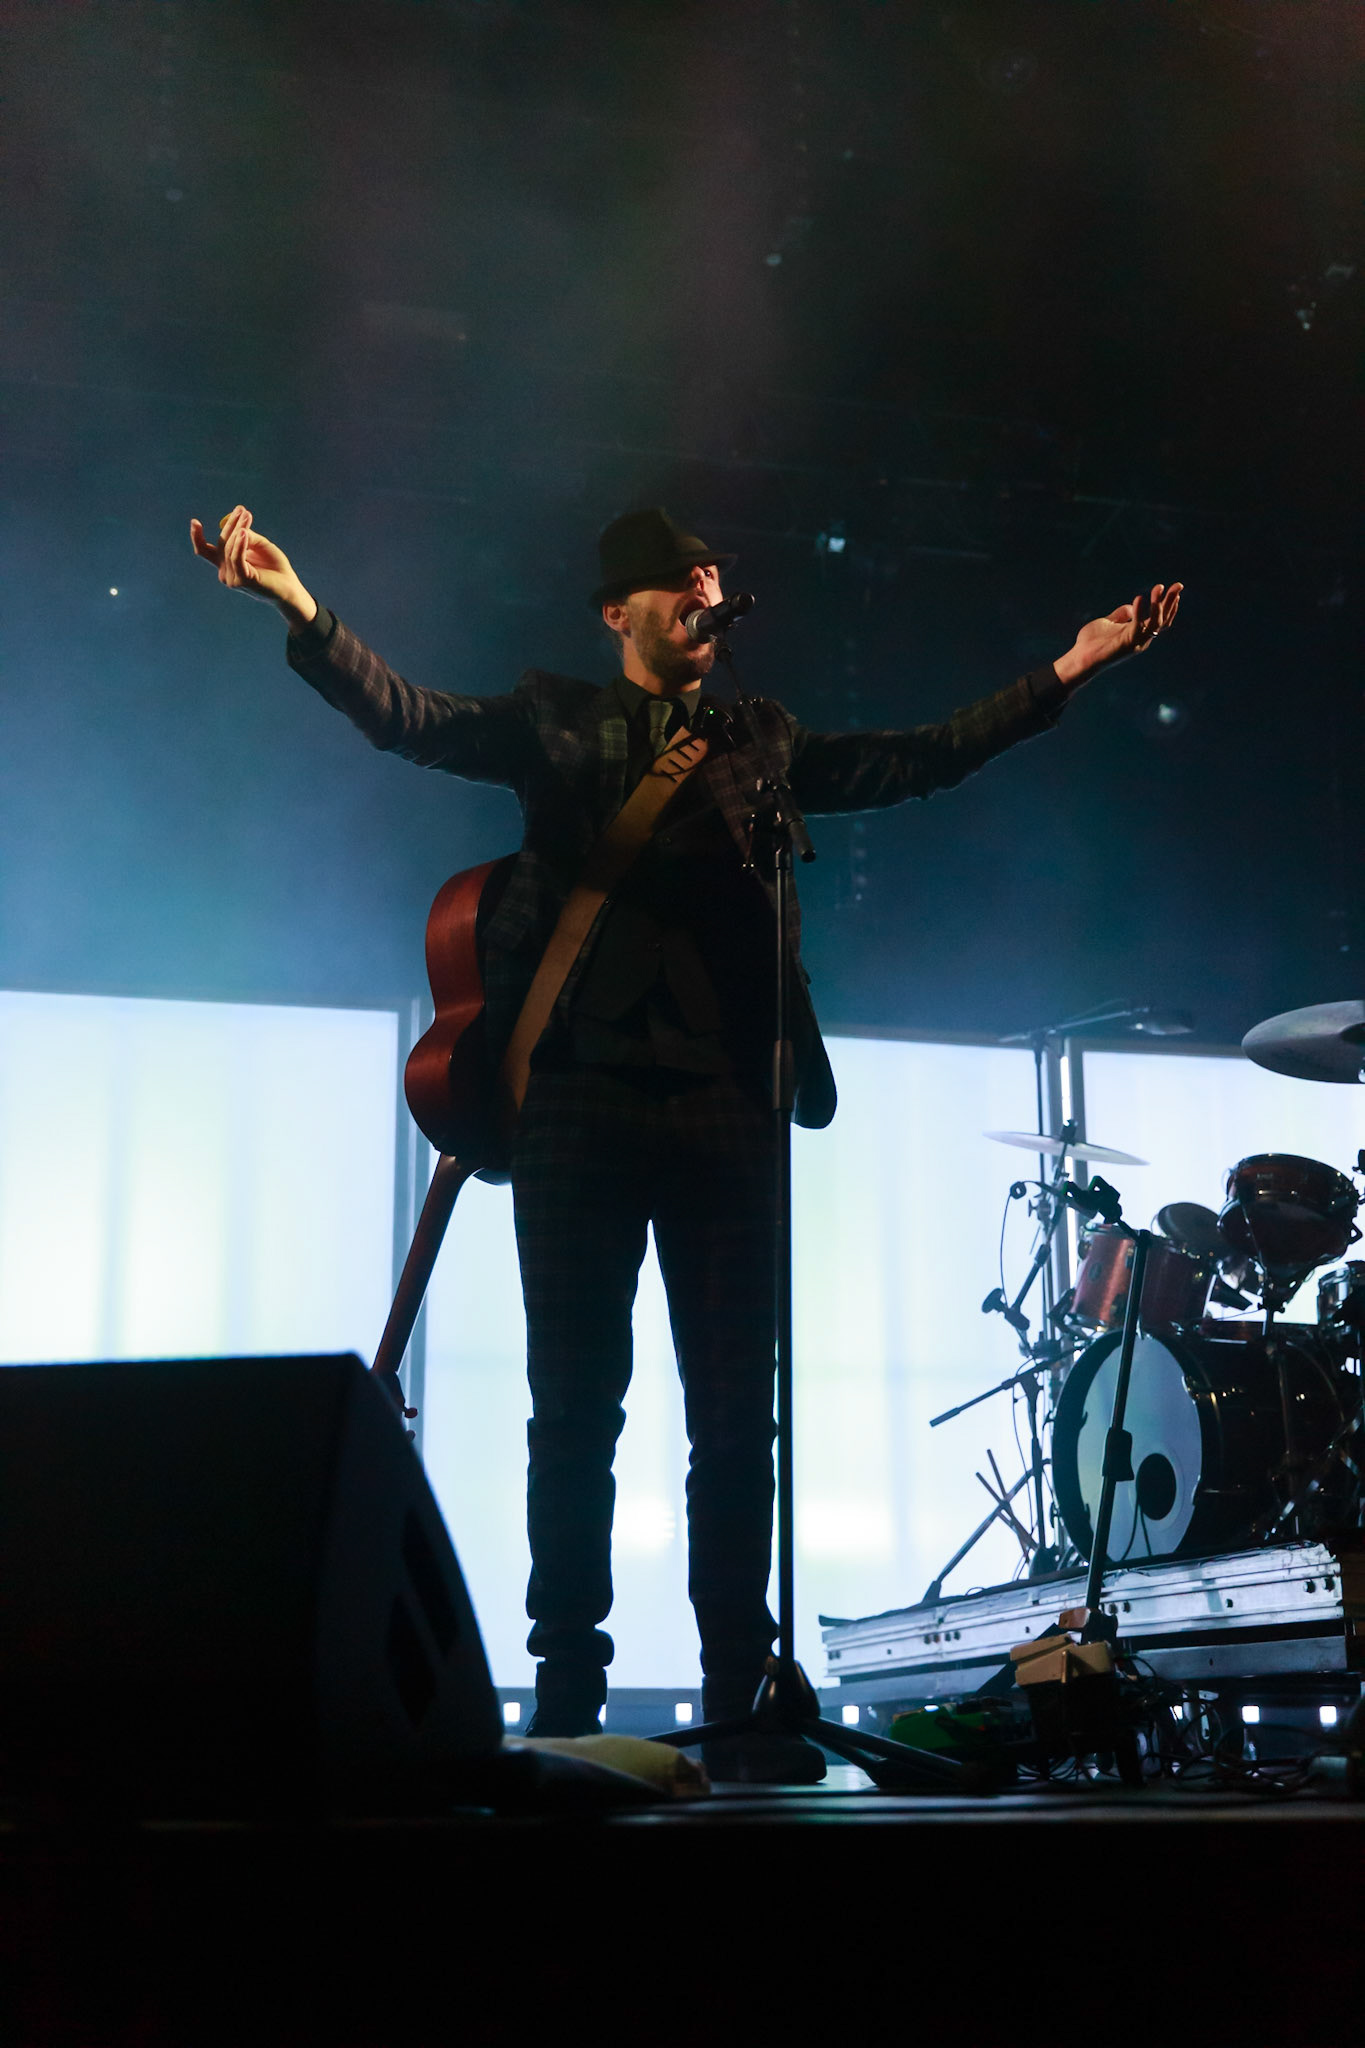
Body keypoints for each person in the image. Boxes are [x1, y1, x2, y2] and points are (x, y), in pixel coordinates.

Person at [191, 501, 1182, 1780]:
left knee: (735, 1413)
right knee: (575, 1407)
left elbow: (918, 757)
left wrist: (1071, 666)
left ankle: (738, 1684)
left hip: (728, 1099)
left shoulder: (758, 739)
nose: (706, 594)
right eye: (679, 583)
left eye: (714, 576)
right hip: (579, 1102)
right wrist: (303, 608)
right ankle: (566, 1687)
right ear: (622, 611)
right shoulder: (555, 715)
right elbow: (410, 718)